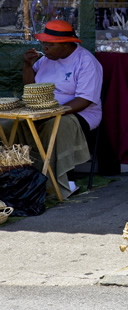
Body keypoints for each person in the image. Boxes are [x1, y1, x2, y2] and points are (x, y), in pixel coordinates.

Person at [1, 20, 103, 199]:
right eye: (43, 43)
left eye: (50, 44)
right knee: (7, 126)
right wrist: (27, 65)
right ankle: (18, 179)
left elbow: (85, 99)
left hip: (79, 113)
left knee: (56, 125)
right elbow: (30, 88)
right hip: (44, 111)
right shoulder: (45, 60)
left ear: (66, 44)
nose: (44, 47)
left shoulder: (86, 61)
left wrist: (54, 111)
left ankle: (60, 181)